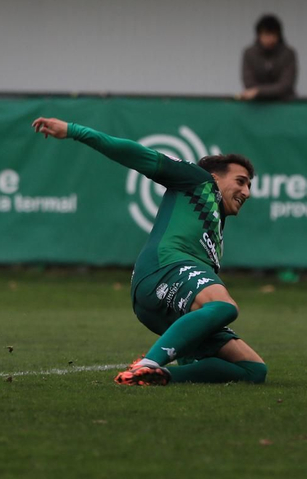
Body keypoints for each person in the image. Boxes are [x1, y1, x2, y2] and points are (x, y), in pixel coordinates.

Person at [29, 115, 267, 386]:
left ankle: (159, 375)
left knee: (253, 370)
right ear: (215, 177)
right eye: (241, 181)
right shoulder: (198, 180)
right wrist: (75, 130)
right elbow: (134, 153)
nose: (246, 191)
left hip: (162, 304)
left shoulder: (215, 225)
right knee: (224, 306)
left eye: (249, 185)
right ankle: (147, 363)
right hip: (164, 269)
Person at [237, 13, 296, 101]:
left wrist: (258, 91)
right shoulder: (249, 53)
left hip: (284, 103)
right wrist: (257, 92)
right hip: (256, 105)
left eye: (273, 34)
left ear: (279, 36)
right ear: (259, 35)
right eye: (266, 34)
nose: (270, 39)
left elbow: (286, 85)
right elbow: (249, 84)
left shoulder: (288, 54)